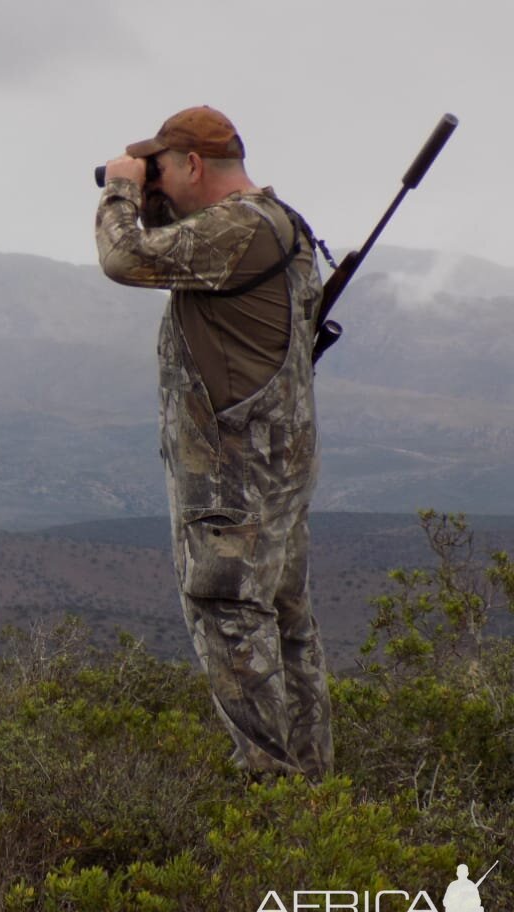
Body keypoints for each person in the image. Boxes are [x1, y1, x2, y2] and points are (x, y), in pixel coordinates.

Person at [94, 105, 332, 781]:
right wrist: (154, 188)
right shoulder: (282, 225)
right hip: (278, 472)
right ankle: (317, 798)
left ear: (193, 165)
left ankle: (272, 801)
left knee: (230, 622)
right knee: (286, 630)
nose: (155, 183)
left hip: (231, 482)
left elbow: (125, 257)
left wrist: (120, 188)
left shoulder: (236, 230)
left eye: (162, 168)